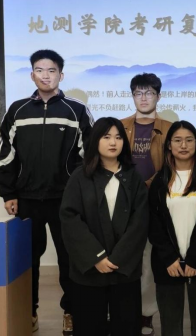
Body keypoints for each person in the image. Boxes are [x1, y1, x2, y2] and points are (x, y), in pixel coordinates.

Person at [0, 49, 93, 335]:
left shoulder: (77, 110)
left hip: (66, 200)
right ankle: (29, 312)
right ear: (31, 75)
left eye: (51, 71)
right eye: (40, 70)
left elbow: (89, 156)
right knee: (27, 261)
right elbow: (4, 154)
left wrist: (80, 194)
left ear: (61, 75)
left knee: (70, 259)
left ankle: (71, 312)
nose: (45, 75)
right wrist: (9, 193)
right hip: (27, 200)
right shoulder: (17, 110)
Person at [60, 117, 148, 336]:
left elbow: (140, 222)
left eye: (118, 137)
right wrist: (96, 257)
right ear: (95, 141)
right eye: (106, 137)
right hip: (89, 269)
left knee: (127, 326)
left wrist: (118, 258)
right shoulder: (80, 177)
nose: (113, 142)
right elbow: (70, 218)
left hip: (124, 269)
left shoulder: (134, 178)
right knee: (89, 326)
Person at [148, 121, 196, 336]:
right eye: (178, 140)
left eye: (189, 140)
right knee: (170, 325)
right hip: (168, 263)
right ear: (169, 145)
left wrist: (195, 259)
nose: (183, 145)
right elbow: (153, 223)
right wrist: (169, 257)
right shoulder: (159, 181)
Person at [121, 72, 172, 335]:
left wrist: (149, 185)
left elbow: (172, 165)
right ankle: (122, 310)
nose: (143, 98)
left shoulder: (169, 128)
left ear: (158, 96)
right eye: (138, 93)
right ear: (132, 96)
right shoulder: (120, 126)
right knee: (123, 256)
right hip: (123, 201)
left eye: (149, 93)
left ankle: (146, 314)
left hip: (155, 201)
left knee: (150, 260)